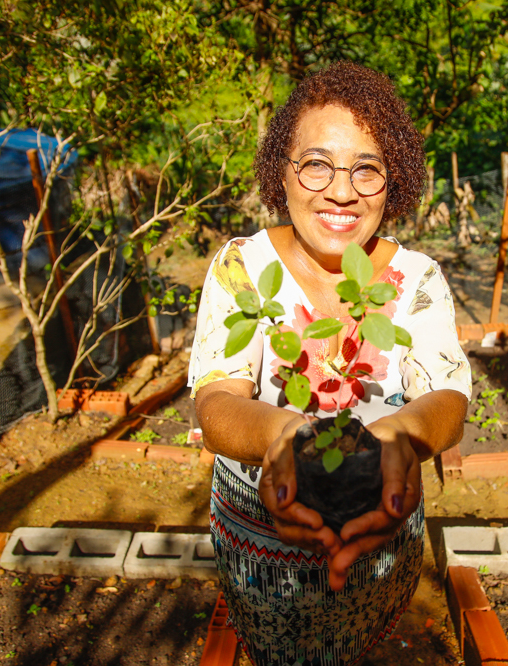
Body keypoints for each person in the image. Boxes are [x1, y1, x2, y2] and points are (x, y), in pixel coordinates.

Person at [189, 61, 471, 666]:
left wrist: (395, 438)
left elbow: (448, 398)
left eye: (366, 169)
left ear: (391, 182)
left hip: (382, 534)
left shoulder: (417, 279)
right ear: (281, 173)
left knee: (361, 645)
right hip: (259, 543)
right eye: (316, 163)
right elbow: (216, 402)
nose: (341, 191)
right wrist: (282, 436)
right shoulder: (242, 269)